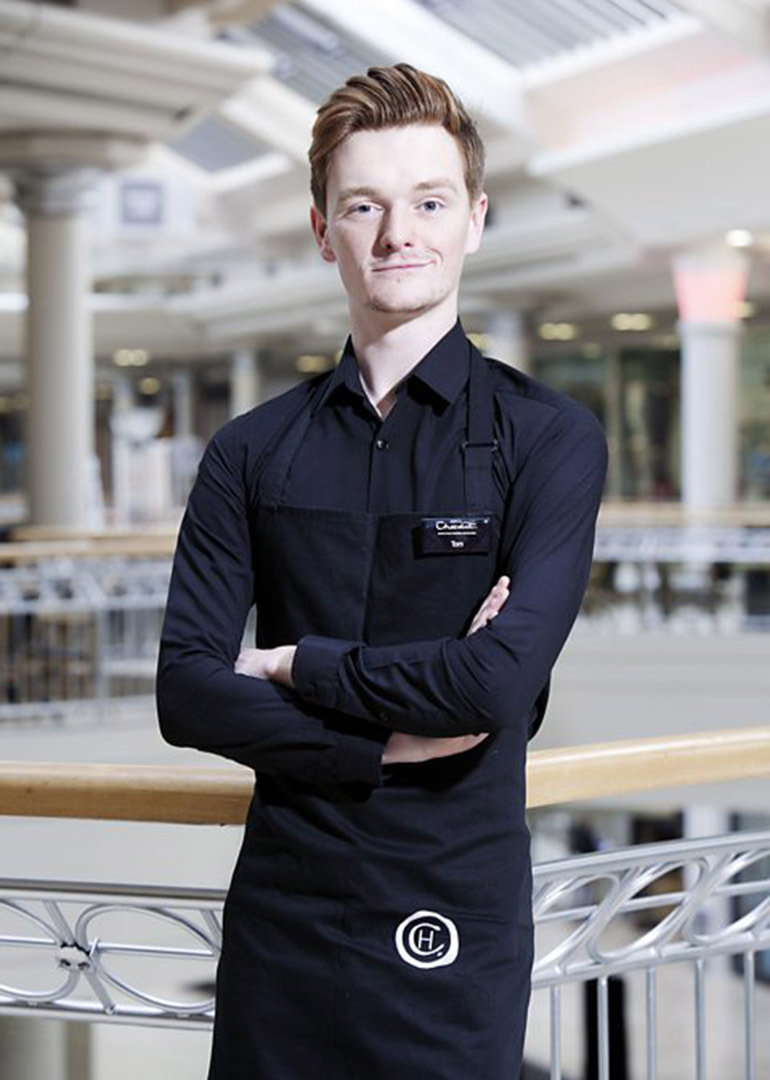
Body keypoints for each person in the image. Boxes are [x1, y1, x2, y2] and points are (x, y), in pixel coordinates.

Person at [156, 62, 607, 1080]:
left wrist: (292, 666)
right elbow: (186, 690)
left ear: (474, 220)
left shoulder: (548, 439)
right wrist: (392, 741)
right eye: (364, 206)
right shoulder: (249, 450)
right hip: (285, 907)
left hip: (450, 907)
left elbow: (492, 686)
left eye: (429, 202)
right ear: (324, 232)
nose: (398, 233)